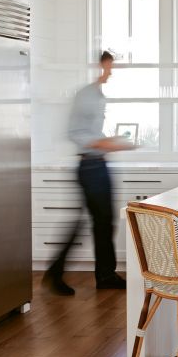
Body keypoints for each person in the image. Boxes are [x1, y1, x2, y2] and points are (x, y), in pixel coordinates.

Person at [43, 51, 133, 295]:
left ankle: (104, 275)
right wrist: (108, 145)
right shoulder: (87, 95)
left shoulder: (96, 95)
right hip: (90, 167)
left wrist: (112, 141)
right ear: (104, 64)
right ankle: (56, 271)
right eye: (112, 66)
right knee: (92, 222)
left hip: (97, 165)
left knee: (103, 222)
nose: (113, 71)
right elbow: (76, 133)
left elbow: (90, 133)